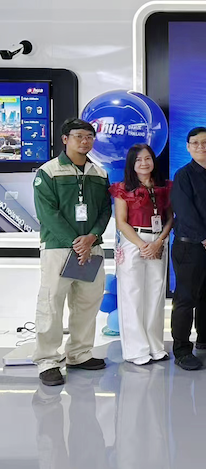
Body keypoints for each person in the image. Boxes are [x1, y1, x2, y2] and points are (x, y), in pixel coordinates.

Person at [32, 118, 112, 387]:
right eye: (79, 136)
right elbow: (47, 212)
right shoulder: (48, 171)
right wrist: (76, 242)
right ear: (65, 139)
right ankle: (47, 360)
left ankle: (79, 353)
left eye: (89, 136)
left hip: (92, 248)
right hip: (58, 248)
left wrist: (92, 238)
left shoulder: (99, 173)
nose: (85, 141)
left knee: (87, 302)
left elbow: (105, 210)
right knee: (52, 303)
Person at [110, 143, 173, 365]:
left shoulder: (164, 187)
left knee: (155, 294)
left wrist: (158, 242)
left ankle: (155, 345)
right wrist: (142, 245)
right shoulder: (122, 189)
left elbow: (170, 218)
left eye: (148, 158)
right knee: (132, 294)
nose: (144, 163)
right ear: (132, 164)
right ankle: (136, 350)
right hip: (133, 241)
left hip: (158, 242)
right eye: (138, 160)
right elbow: (121, 222)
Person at [170, 127, 206, 371]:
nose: (200, 147)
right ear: (188, 147)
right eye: (195, 143)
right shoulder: (183, 175)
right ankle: (182, 350)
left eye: (205, 143)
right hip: (191, 246)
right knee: (186, 298)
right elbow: (185, 213)